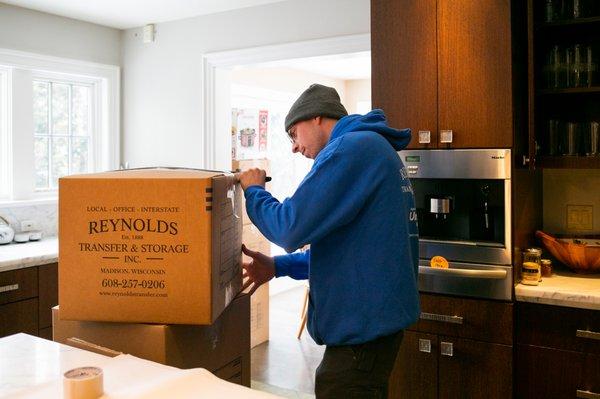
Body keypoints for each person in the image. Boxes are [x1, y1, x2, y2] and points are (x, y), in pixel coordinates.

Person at [238, 83, 420, 399]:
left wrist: (254, 191)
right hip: (372, 332)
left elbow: (289, 228)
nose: (294, 147)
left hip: (361, 335)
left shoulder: (351, 149)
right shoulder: (373, 148)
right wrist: (277, 267)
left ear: (317, 118)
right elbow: (348, 250)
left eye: (294, 133)